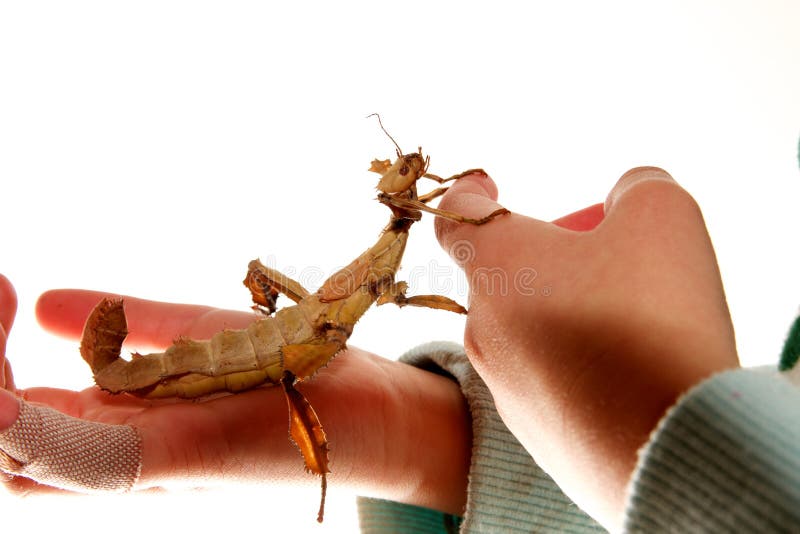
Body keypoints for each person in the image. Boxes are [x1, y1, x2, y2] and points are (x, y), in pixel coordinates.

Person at [2, 167, 799, 532]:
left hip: (294, 340)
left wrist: (665, 432)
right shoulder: (376, 269)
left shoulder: (383, 259)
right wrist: (427, 435)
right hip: (271, 347)